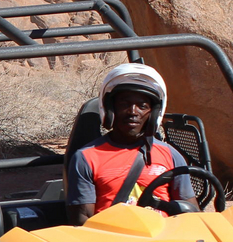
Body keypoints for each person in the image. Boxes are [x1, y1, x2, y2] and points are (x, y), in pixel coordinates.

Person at [66, 62, 195, 224]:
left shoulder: (170, 155)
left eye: (142, 106)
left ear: (153, 114)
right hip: (111, 236)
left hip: (164, 236)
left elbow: (191, 213)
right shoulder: (87, 157)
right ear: (110, 109)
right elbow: (82, 220)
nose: (133, 112)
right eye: (124, 104)